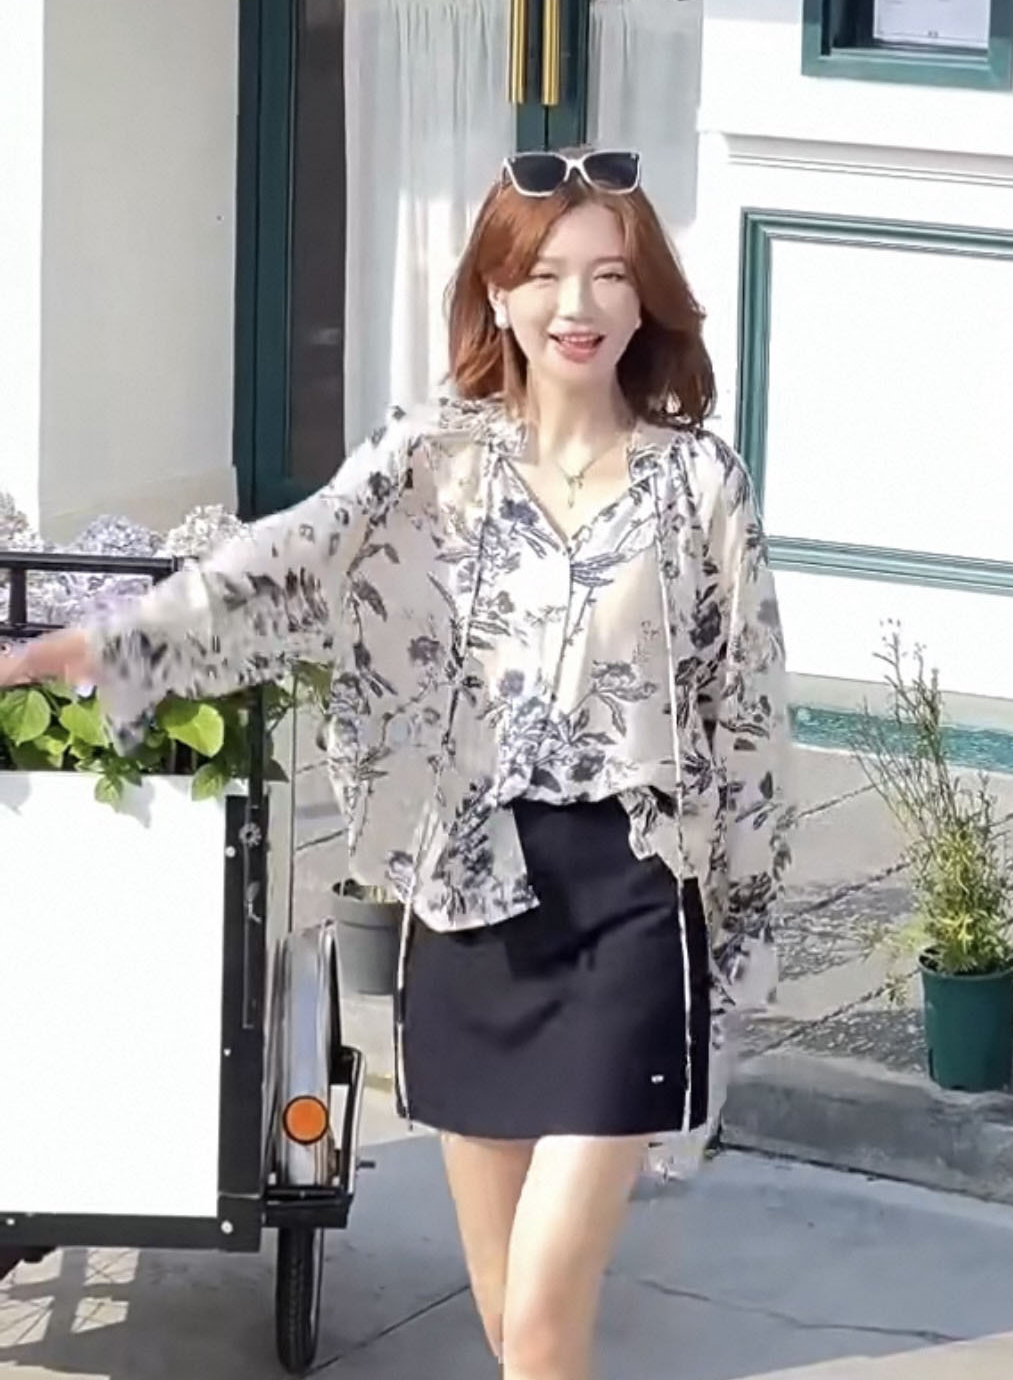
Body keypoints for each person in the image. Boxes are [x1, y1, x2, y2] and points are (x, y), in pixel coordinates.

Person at [0, 148, 793, 1380]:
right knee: (508, 1323)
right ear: (496, 293)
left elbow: (748, 718)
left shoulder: (699, 483)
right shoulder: (433, 461)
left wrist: (740, 933)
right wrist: (99, 645)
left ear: (646, 300)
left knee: (543, 1323)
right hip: (468, 904)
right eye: (544, 275)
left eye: (607, 275)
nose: (576, 306)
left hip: (632, 907)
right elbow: (285, 563)